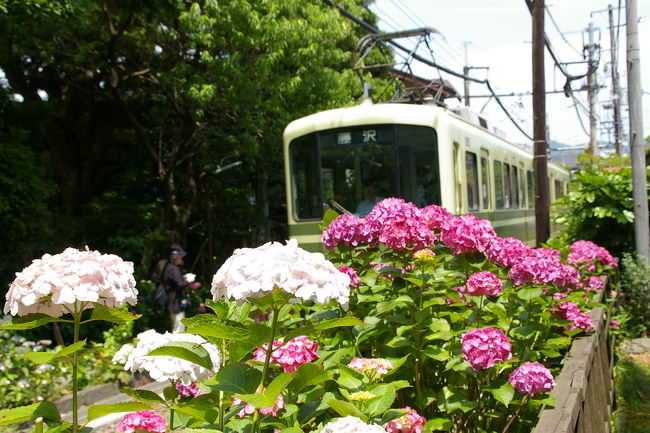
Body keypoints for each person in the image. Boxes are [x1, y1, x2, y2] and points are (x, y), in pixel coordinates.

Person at [161, 243, 200, 333]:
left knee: (177, 326)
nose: (181, 259)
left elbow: (174, 282)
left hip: (173, 302)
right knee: (179, 328)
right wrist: (188, 281)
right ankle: (177, 346)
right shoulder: (173, 268)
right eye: (180, 257)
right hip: (175, 303)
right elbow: (180, 285)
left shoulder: (168, 267)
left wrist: (183, 278)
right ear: (174, 258)